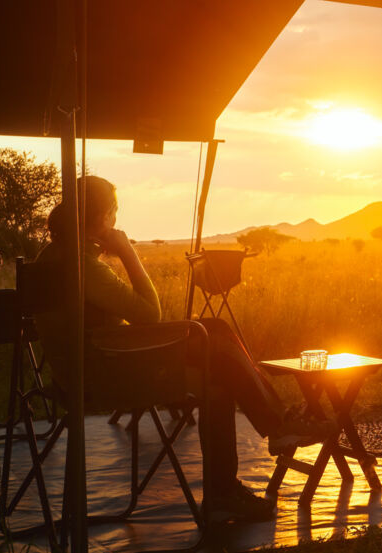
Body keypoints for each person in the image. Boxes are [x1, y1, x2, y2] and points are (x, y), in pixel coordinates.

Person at [38, 175, 334, 522]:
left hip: (86, 367)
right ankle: (271, 435)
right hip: (103, 376)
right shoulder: (83, 266)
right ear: (102, 216)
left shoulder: (52, 255)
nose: (117, 220)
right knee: (212, 334)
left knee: (215, 369)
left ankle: (244, 469)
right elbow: (150, 314)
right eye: (114, 211)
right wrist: (127, 251)